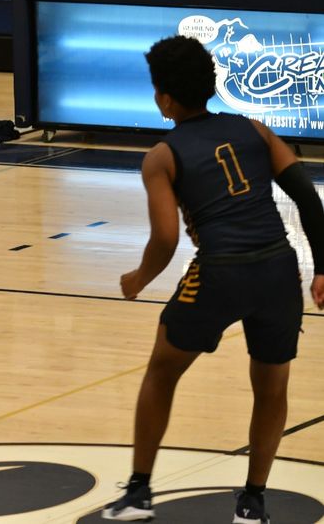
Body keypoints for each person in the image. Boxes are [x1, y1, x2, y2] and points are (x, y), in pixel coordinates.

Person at [103, 35, 324, 523]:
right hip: (278, 270)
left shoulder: (162, 155)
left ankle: (139, 492)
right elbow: (309, 198)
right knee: (272, 388)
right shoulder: (254, 129)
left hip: (220, 271)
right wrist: (323, 268)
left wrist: (139, 278)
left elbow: (164, 239)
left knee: (162, 371)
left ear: (163, 98)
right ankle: (253, 502)